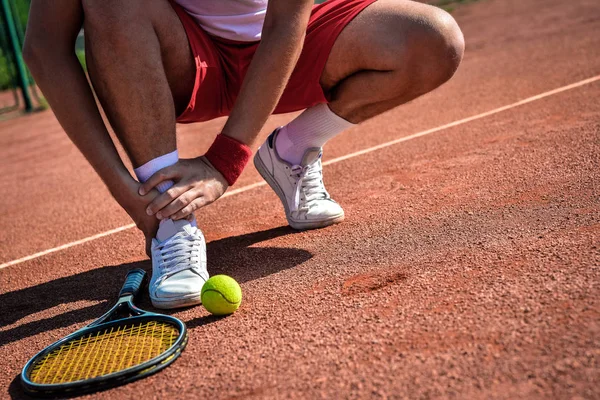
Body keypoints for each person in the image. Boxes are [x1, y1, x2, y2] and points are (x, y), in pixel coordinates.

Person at [23, 0, 464, 309]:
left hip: (283, 50)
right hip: (181, 60)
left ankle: (292, 150)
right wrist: (127, 190)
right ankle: (169, 220)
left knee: (432, 39)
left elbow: (285, 20)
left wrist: (224, 162)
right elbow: (45, 47)